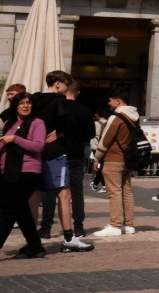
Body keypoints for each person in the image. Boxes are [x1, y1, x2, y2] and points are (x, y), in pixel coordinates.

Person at [0, 94, 50, 261]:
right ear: (15, 105)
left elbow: (39, 146)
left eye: (28, 103)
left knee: (8, 211)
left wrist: (15, 139)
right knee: (21, 211)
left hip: (27, 171)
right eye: (21, 103)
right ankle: (35, 246)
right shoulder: (10, 123)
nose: (25, 106)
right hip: (7, 172)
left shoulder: (37, 123)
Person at [29, 73, 92, 251]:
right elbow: (69, 122)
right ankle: (71, 234)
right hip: (60, 153)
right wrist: (59, 132)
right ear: (57, 84)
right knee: (66, 194)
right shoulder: (61, 102)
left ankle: (36, 236)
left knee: (37, 195)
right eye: (66, 83)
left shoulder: (33, 100)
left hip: (36, 153)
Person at [94, 93, 142, 236]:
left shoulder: (116, 117)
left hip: (113, 159)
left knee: (114, 193)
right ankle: (129, 224)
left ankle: (114, 225)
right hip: (127, 159)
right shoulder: (134, 117)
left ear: (118, 101)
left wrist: (97, 157)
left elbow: (105, 139)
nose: (109, 103)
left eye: (110, 100)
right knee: (126, 192)